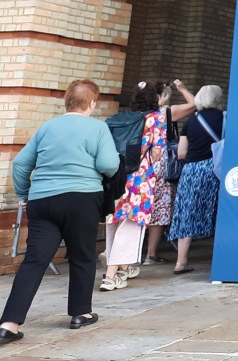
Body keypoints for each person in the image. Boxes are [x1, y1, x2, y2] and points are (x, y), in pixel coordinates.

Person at [0, 79, 120, 341]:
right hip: (81, 198)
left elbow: (20, 164)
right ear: (92, 103)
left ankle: (9, 324)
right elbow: (109, 164)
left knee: (34, 260)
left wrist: (24, 195)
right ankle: (80, 313)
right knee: (82, 256)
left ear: (66, 101)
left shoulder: (47, 127)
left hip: (42, 200)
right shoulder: (98, 128)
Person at [102, 81, 166, 291]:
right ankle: (111, 275)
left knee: (114, 222)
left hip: (117, 177)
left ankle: (119, 266)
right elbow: (157, 152)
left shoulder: (121, 119)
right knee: (131, 225)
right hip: (141, 179)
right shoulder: (156, 119)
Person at [168, 84, 224, 274]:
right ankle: (218, 259)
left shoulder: (192, 121)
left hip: (191, 171)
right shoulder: (225, 118)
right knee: (217, 211)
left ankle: (181, 261)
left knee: (187, 213)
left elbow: (181, 153)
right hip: (215, 169)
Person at [144, 79, 196, 265]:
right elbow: (196, 104)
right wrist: (182, 88)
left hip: (139, 166)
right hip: (161, 166)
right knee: (160, 209)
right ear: (161, 96)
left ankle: (125, 254)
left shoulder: (137, 114)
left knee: (138, 208)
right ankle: (150, 254)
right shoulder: (166, 113)